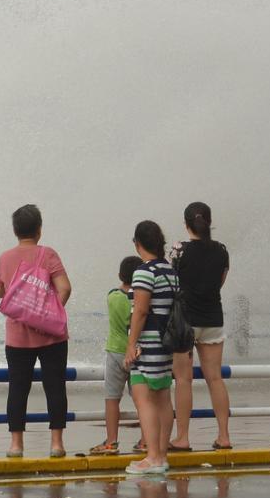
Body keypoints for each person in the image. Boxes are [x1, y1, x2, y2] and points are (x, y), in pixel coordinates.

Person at [0, 204, 72, 458]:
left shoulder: (5, 258)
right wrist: (47, 313)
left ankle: (16, 444)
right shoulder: (47, 254)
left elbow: (1, 291)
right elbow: (65, 288)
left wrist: (26, 309)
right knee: (55, 387)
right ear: (39, 230)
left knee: (17, 388)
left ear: (15, 230)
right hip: (52, 337)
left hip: (17, 336)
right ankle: (56, 443)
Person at [169, 202, 232, 451]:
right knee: (215, 378)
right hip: (213, 319)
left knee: (183, 380)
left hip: (185, 321)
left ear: (186, 224)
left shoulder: (178, 250)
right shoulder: (222, 251)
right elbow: (220, 282)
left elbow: (171, 282)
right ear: (209, 221)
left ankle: (182, 437)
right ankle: (224, 436)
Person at [124, 220, 177, 475]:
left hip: (148, 343)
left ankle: (152, 457)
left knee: (142, 398)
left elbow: (141, 310)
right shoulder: (170, 270)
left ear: (138, 244)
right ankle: (162, 455)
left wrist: (131, 344)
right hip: (166, 343)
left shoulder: (144, 272)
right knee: (164, 398)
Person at [90, 255, 144, 455]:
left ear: (120, 275)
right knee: (142, 400)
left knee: (112, 398)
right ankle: (146, 440)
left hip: (115, 352)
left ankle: (111, 441)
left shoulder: (113, 296)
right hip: (138, 352)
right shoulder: (142, 298)